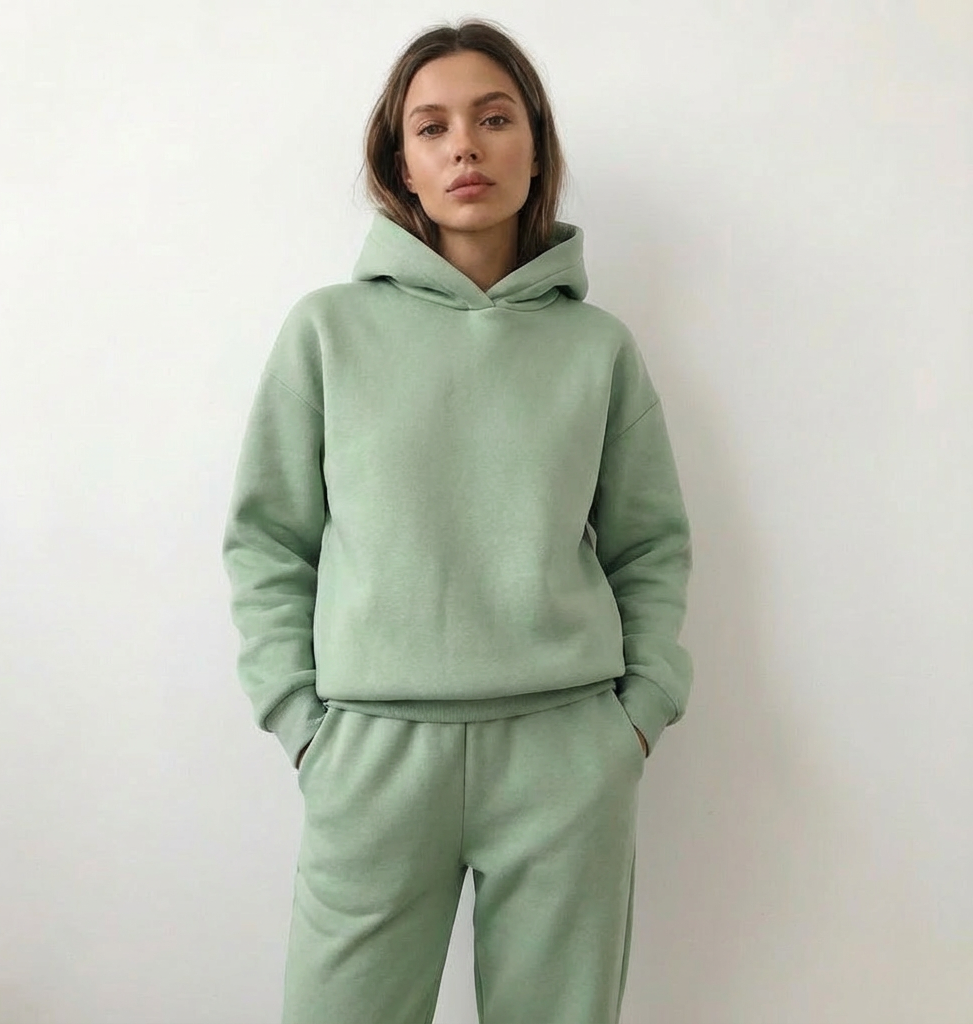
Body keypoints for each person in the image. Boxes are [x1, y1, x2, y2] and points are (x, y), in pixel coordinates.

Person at [222, 17, 693, 1024]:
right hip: (372, 755)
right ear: (402, 164)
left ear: (537, 147)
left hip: (566, 752)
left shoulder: (597, 349)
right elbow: (268, 540)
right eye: (431, 128)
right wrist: (301, 721)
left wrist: (639, 713)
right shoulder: (328, 332)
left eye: (493, 118)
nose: (464, 147)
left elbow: (650, 543)